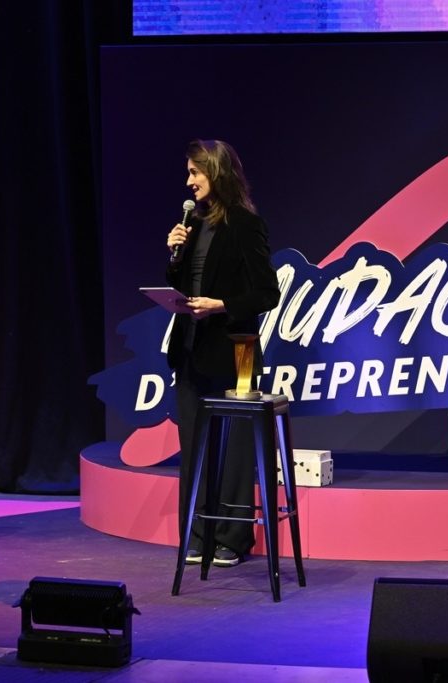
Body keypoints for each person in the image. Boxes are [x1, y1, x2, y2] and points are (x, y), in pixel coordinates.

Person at [165, 139, 280, 567]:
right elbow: (183, 284)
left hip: (236, 351)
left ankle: (232, 537)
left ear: (216, 172)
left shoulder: (245, 225)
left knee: (234, 450)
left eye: (195, 172)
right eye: (189, 172)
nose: (189, 181)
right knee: (194, 446)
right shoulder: (193, 223)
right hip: (191, 347)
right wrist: (174, 257)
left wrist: (222, 305)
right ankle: (198, 535)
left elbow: (267, 293)